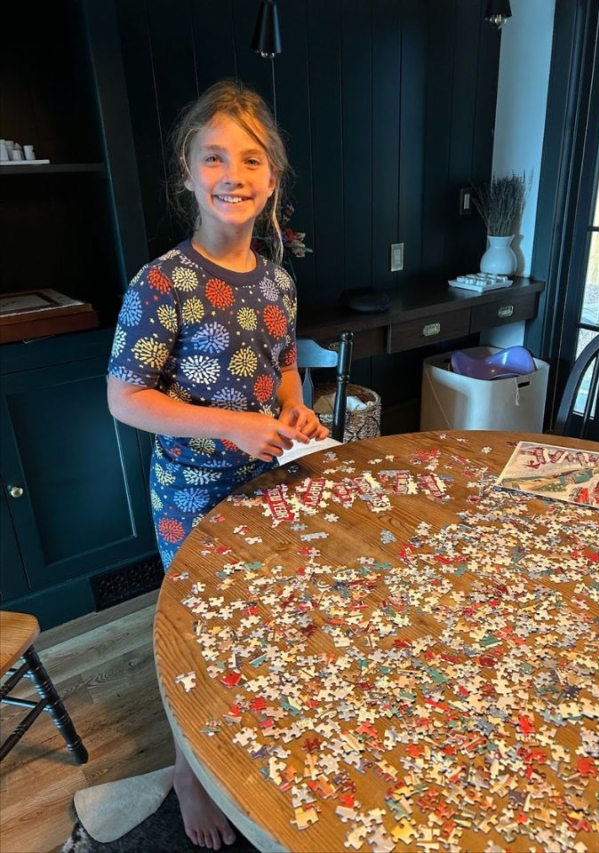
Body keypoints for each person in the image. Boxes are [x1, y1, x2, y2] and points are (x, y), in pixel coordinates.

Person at [107, 79, 328, 850]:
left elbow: (284, 367)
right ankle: (189, 773)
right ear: (188, 173)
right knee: (195, 642)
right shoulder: (163, 282)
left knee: (260, 627)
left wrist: (293, 410)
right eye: (214, 157)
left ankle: (249, 747)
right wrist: (230, 426)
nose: (232, 172)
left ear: (271, 179)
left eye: (250, 159)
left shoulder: (278, 281)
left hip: (267, 488)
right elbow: (124, 397)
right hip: (190, 497)